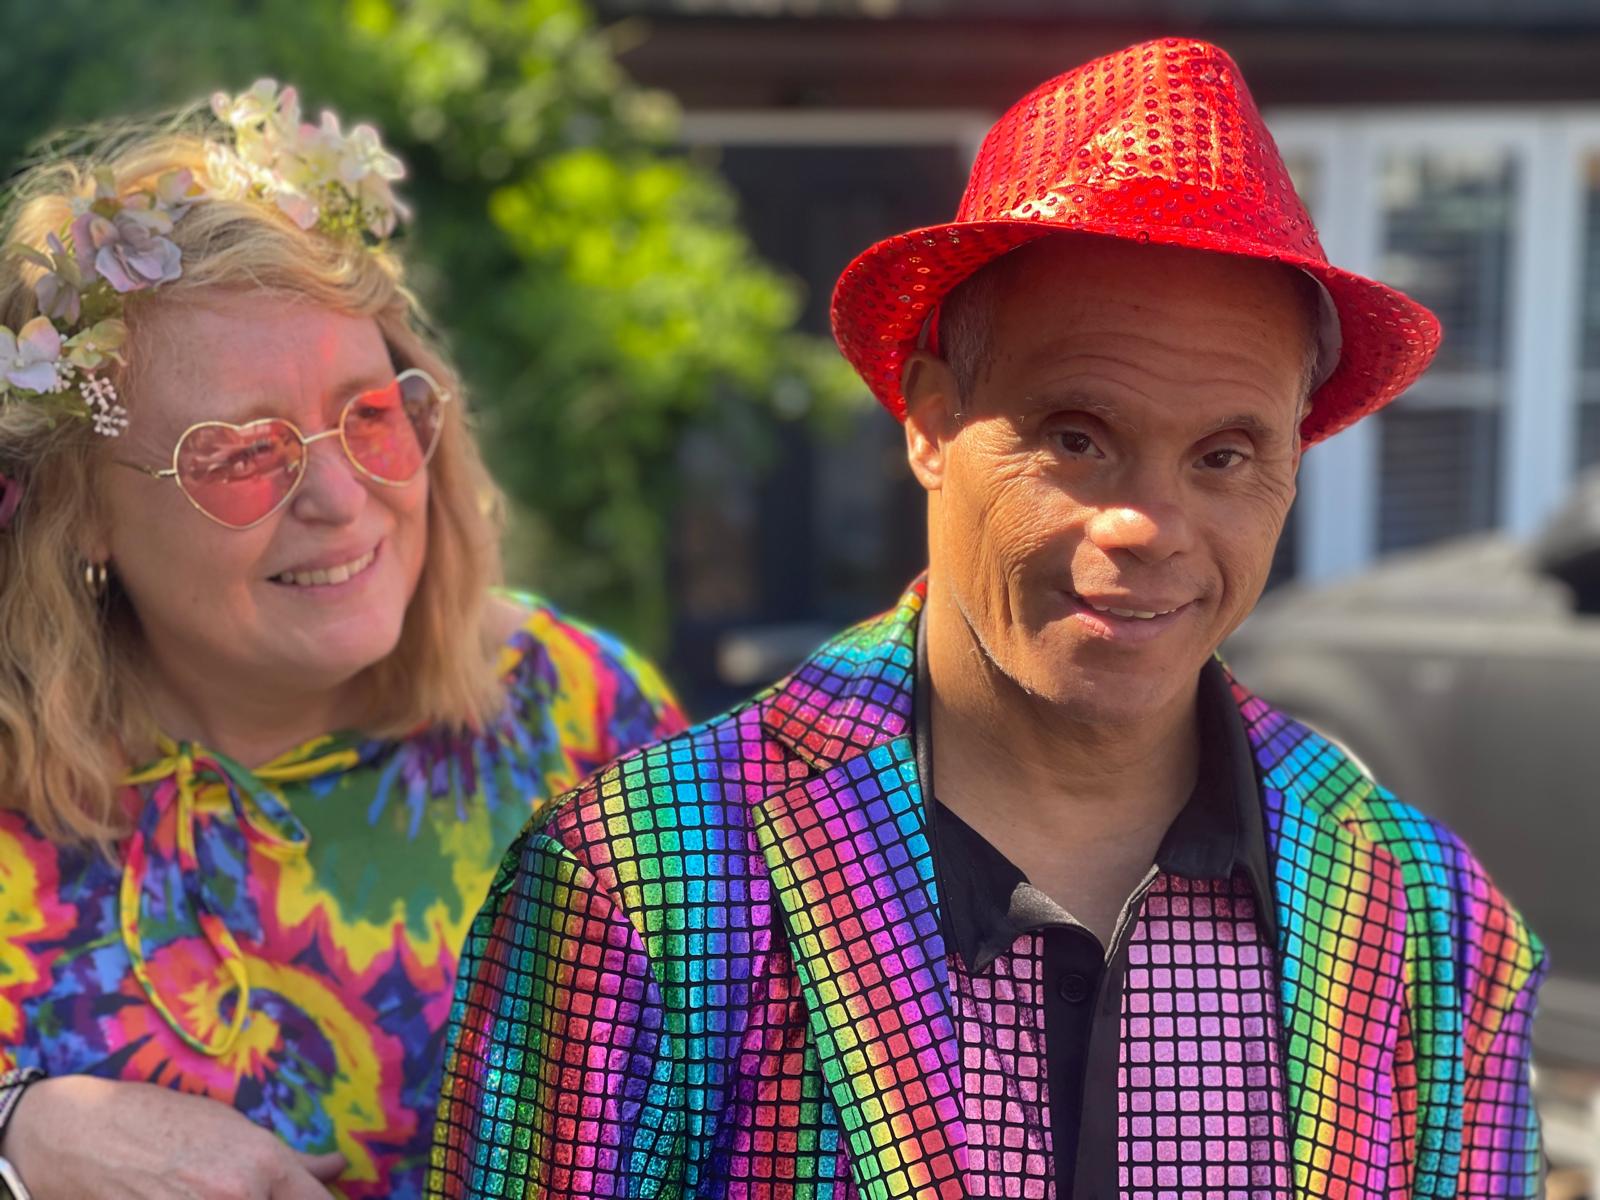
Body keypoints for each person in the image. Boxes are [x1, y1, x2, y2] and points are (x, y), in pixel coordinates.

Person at [428, 38, 1546, 1200]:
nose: (1146, 525)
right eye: (1076, 436)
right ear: (929, 423)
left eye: (1223, 455)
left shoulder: (1431, 924)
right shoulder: (644, 889)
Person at [0, 81, 683, 1200]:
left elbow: (769, 1121)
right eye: (238, 451)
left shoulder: (583, 719)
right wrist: (19, 1136)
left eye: (369, 413)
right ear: (84, 516)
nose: (340, 494)